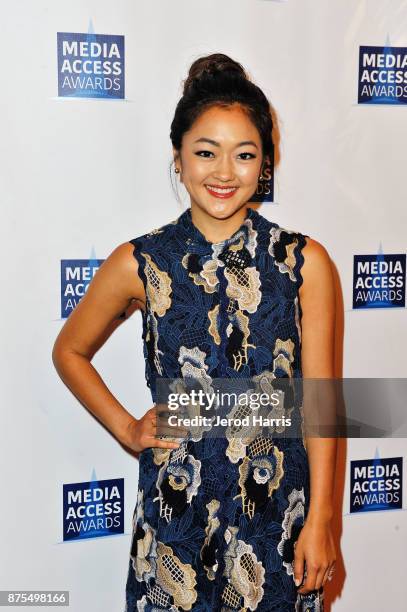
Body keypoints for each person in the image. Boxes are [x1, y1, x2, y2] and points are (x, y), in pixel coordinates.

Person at [52, 53, 337, 612]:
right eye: (206, 152)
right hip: (174, 516)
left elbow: (323, 403)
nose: (224, 172)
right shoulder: (140, 261)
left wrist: (323, 518)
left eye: (245, 154)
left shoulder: (305, 263)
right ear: (179, 159)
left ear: (265, 164)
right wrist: (128, 429)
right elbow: (70, 351)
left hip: (278, 514)